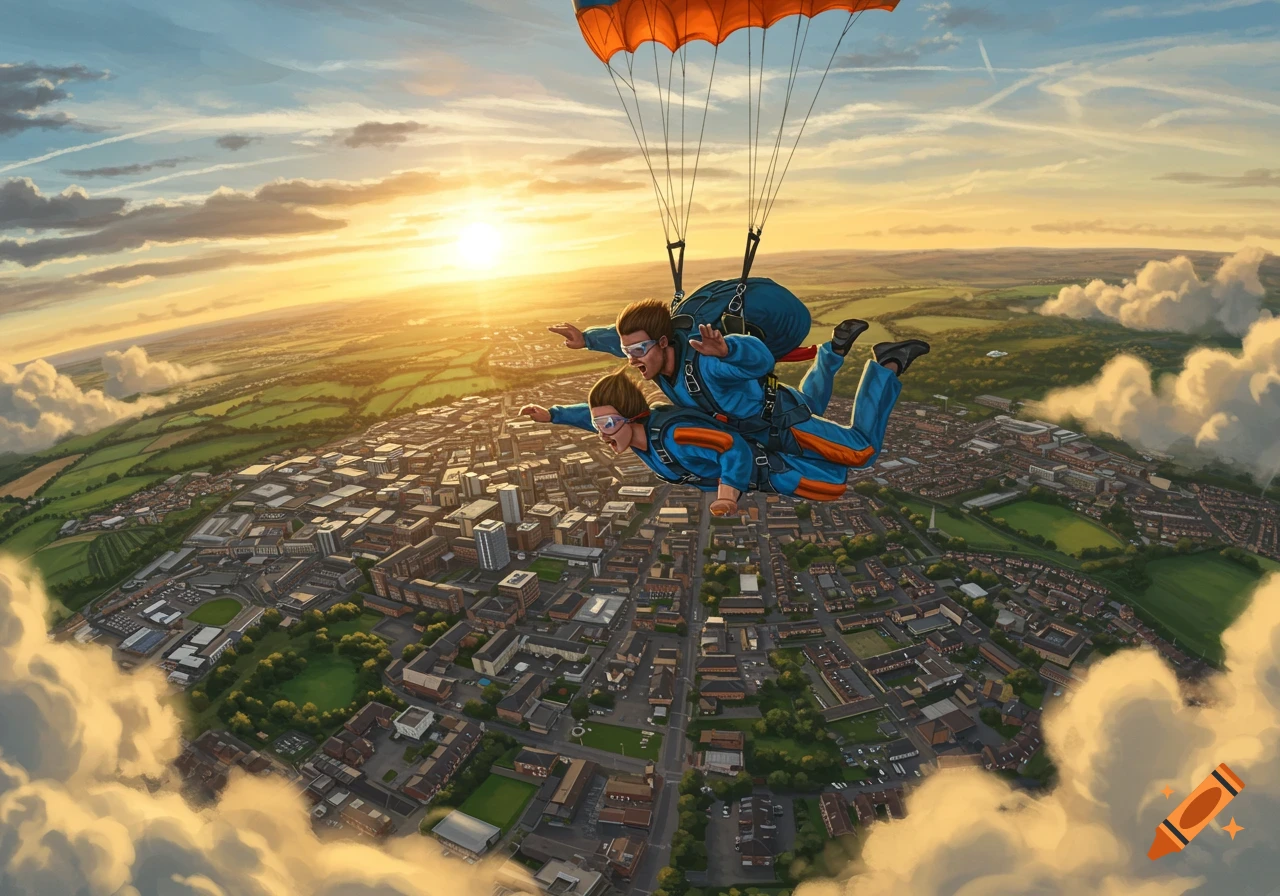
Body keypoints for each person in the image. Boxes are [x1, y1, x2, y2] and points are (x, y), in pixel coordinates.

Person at [549, 298, 929, 470]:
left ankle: (887, 363)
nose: (632, 358)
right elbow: (624, 349)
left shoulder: (706, 363)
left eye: (639, 350)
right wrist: (587, 339)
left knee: (861, 454)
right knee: (811, 403)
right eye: (627, 350)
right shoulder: (656, 360)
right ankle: (833, 350)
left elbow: (760, 359)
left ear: (663, 343)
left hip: (779, 423)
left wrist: (727, 349)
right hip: (775, 407)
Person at [523, 369, 865, 517]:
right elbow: (593, 416)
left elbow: (731, 446)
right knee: (810, 412)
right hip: (764, 469)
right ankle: (830, 355)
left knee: (848, 467)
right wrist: (552, 415)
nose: (602, 433)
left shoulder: (674, 435)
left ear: (631, 416)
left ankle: (884, 368)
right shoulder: (635, 434)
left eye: (609, 424)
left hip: (769, 469)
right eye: (601, 425)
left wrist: (727, 494)